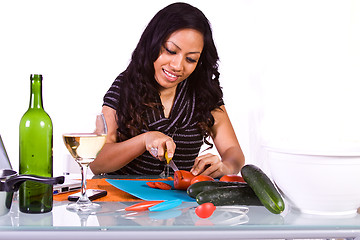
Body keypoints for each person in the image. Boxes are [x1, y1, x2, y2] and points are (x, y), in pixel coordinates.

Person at [90, 2, 245, 178]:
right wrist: (144, 140)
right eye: (171, 51)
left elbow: (234, 153)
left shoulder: (203, 92)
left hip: (180, 200)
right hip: (124, 198)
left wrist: (226, 166)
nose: (177, 66)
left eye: (191, 59)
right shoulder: (124, 87)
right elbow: (97, 162)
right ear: (152, 43)